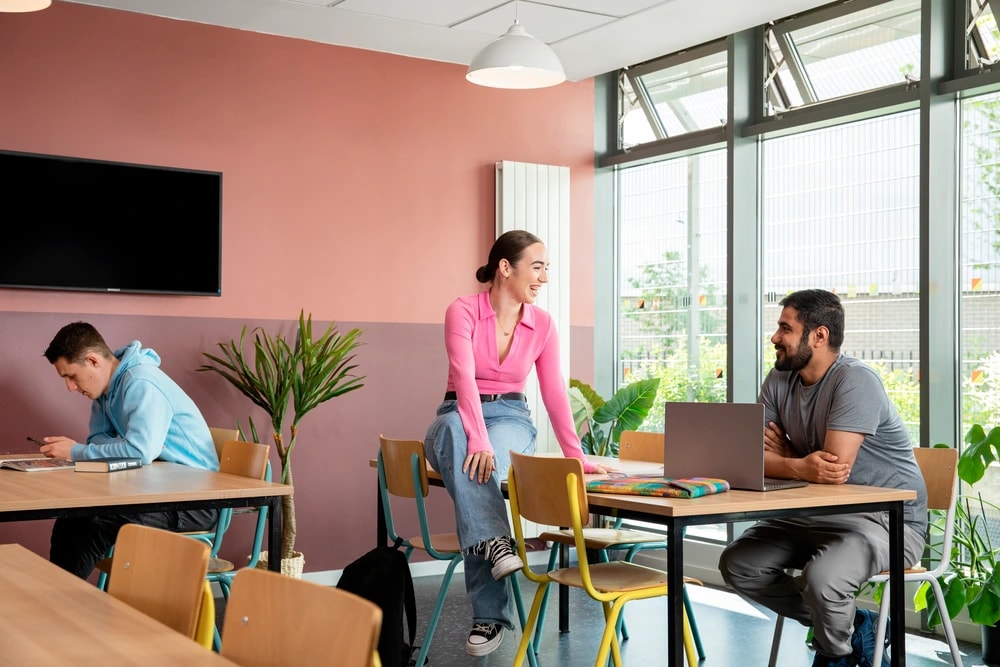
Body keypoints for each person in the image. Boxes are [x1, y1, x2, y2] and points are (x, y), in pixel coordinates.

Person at [423, 230, 609, 657]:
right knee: (467, 451)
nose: (544, 277)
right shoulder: (463, 311)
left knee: (474, 479)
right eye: (537, 266)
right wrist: (477, 437)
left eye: (547, 268)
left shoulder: (541, 324)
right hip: (455, 414)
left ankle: (488, 598)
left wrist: (575, 455)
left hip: (510, 417)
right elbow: (464, 378)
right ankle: (496, 554)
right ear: (505, 267)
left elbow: (554, 391)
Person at [718, 290, 928, 667]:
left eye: (785, 327)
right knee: (739, 563)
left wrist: (786, 457)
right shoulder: (780, 379)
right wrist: (800, 465)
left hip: (887, 521)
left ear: (819, 336)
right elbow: (746, 456)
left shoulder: (855, 381)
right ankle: (855, 626)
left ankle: (838, 655)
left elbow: (831, 471)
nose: (775, 337)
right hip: (814, 514)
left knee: (824, 579)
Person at [38, 321, 220, 579]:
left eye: (71, 376)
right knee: (72, 518)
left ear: (92, 361)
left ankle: (60, 605)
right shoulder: (104, 391)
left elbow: (139, 451)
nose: (70, 386)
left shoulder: (141, 382)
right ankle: (58, 600)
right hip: (155, 491)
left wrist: (76, 451)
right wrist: (114, 448)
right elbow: (98, 439)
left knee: (95, 522)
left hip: (194, 502)